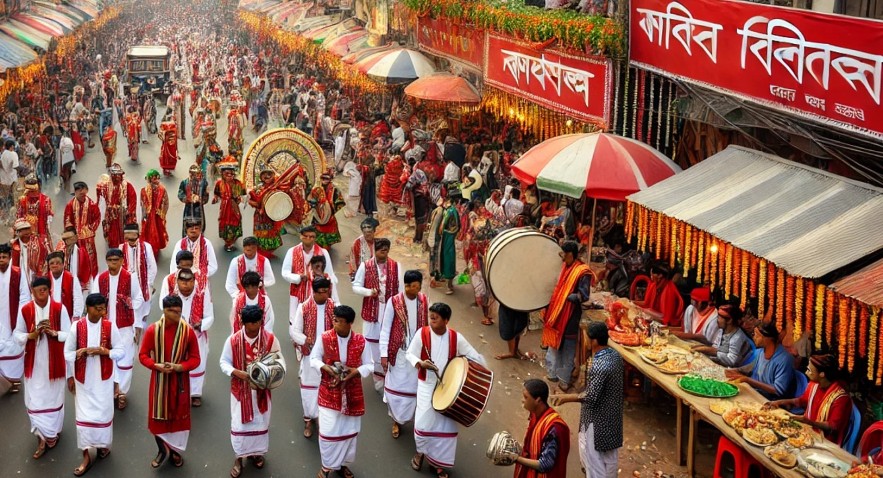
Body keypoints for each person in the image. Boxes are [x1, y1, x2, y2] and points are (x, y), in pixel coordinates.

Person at [407, 302, 486, 478]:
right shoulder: (422, 333)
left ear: (446, 320)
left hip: (449, 388)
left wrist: (466, 372)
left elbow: (474, 357)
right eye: (431, 316)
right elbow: (409, 354)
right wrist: (420, 363)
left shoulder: (456, 338)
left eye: (436, 317)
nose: (431, 319)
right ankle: (421, 452)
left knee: (446, 428)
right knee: (422, 424)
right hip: (427, 385)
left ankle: (438, 463)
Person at [551, 322, 623, 478]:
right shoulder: (615, 356)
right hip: (613, 419)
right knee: (609, 461)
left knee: (594, 464)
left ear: (594, 341)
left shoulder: (599, 365)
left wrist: (566, 398)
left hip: (596, 422)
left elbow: (591, 396)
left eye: (586, 338)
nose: (584, 342)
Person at [220, 304, 285, 477]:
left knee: (261, 423)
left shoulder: (270, 339)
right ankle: (239, 458)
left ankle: (256, 453)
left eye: (258, 322)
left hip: (262, 392)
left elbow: (279, 361)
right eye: (251, 323)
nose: (255, 327)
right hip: (240, 393)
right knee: (239, 426)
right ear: (243, 323)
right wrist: (236, 372)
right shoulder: (233, 340)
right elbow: (223, 362)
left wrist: (269, 374)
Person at [64, 293, 124, 476]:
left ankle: (102, 447)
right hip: (83, 382)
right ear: (88, 308)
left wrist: (104, 351)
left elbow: (120, 351)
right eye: (98, 309)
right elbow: (67, 353)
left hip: (103, 381)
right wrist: (79, 353)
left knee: (103, 416)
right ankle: (86, 456)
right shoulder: (77, 327)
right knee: (84, 421)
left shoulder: (110, 326)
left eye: (103, 309)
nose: (102, 312)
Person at [138, 294, 201, 468]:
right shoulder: (153, 330)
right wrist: (156, 365)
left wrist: (180, 367)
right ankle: (162, 450)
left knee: (178, 416)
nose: (176, 314)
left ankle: (174, 451)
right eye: (172, 311)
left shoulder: (187, 331)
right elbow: (142, 355)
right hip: (159, 382)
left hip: (180, 382)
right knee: (157, 418)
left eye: (179, 311)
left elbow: (196, 359)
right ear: (164, 311)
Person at [310, 304, 373, 478]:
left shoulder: (361, 340)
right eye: (334, 320)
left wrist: (356, 371)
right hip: (329, 392)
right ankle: (327, 465)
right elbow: (314, 359)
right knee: (328, 432)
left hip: (352, 393)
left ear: (350, 323)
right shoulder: (324, 338)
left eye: (339, 321)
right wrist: (326, 368)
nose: (335, 323)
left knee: (349, 433)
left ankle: (342, 465)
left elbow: (369, 365)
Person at [14, 276, 71, 459]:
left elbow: (69, 334)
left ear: (49, 290)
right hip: (34, 364)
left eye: (45, 289)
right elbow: (17, 334)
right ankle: (41, 437)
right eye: (38, 290)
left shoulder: (59, 308)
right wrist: (32, 334)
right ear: (32, 292)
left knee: (54, 398)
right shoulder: (25, 310)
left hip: (54, 365)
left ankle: (52, 432)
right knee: (35, 400)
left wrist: (54, 333)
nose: (42, 293)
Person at [380, 270, 429, 439]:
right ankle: (396, 419)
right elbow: (386, 329)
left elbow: (427, 327)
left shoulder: (424, 301)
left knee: (413, 389)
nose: (415, 290)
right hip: (398, 352)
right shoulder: (394, 302)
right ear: (406, 285)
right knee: (396, 389)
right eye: (412, 286)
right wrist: (384, 354)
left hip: (416, 354)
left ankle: (407, 418)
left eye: (418, 286)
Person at [94, 248, 144, 410]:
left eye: (116, 260)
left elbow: (139, 299)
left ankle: (121, 393)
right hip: (105, 327)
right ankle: (109, 391)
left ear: (122, 261)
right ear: (106, 261)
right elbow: (93, 300)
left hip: (125, 326)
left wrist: (127, 302)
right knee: (107, 359)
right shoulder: (100, 279)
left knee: (125, 360)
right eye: (110, 260)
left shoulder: (130, 278)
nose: (113, 263)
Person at [764, 354, 852, 446]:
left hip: (824, 441)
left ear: (822, 374)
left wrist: (808, 422)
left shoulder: (841, 398)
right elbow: (802, 401)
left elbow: (832, 427)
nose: (806, 373)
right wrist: (779, 402)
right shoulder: (813, 384)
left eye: (809, 370)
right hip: (807, 430)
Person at [353, 238, 404, 392]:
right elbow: (356, 286)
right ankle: (378, 380)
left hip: (389, 311)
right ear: (375, 251)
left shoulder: (396, 266)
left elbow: (401, 289)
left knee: (388, 344)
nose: (384, 253)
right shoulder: (365, 266)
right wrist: (369, 292)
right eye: (382, 250)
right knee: (374, 346)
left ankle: (388, 376)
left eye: (387, 250)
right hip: (372, 312)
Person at [544, 241, 593, 392]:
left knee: (568, 348)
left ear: (570, 254)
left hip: (571, 315)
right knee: (555, 344)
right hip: (557, 312)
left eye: (563, 254)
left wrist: (576, 296)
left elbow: (585, 295)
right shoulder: (566, 266)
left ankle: (564, 380)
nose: (561, 258)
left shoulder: (582, 272)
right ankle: (552, 373)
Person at [290, 277, 336, 439]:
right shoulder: (304, 308)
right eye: (321, 292)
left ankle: (320, 418)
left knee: (325, 387)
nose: (324, 295)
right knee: (308, 389)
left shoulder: (333, 307)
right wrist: (305, 340)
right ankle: (308, 419)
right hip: (310, 355)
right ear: (314, 292)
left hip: (327, 356)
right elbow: (295, 331)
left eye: (326, 291)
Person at [506, 379, 570, 477]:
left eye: (526, 397)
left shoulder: (553, 428)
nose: (522, 400)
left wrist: (516, 458)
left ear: (538, 400)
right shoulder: (535, 414)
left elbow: (545, 464)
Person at [170, 268, 213, 408]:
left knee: (198, 365)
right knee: (177, 363)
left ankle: (195, 394)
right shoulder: (173, 297)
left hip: (197, 336)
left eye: (189, 282)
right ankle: (177, 391)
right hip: (177, 337)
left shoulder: (202, 294)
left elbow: (210, 316)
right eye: (183, 282)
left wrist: (201, 324)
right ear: (178, 282)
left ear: (194, 282)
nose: (186, 285)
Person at [725, 320, 796, 400]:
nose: (753, 337)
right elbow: (752, 367)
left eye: (756, 335)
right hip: (755, 393)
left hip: (770, 400)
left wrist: (748, 380)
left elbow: (778, 390)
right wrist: (735, 370)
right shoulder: (760, 352)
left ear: (767, 338)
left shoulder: (785, 359)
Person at [282, 225, 334, 324]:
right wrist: (297, 277)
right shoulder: (292, 251)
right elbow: (285, 272)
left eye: (311, 236)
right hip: (297, 291)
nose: (308, 239)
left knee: (316, 321)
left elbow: (330, 275)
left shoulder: (323, 252)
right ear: (300, 236)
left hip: (317, 292)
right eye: (306, 236)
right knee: (296, 320)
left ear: (315, 238)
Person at [0, 243, 30, 392]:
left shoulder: (17, 273)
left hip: (13, 321)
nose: (1, 260)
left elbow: (24, 297)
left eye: (4, 257)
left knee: (12, 348)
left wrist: (20, 320)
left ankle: (12, 382)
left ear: (10, 257)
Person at [692, 303, 753, 368]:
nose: (717, 320)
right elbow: (715, 346)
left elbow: (731, 361)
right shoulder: (722, 330)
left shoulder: (737, 337)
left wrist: (713, 352)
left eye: (719, 318)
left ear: (729, 320)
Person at [63, 181, 101, 281]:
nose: (81, 194)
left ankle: (93, 279)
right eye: (79, 191)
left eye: (83, 192)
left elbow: (97, 217)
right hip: (75, 238)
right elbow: (67, 219)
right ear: (75, 192)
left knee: (91, 259)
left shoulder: (92, 204)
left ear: (87, 191)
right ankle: (77, 280)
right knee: (77, 259)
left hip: (88, 237)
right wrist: (71, 231)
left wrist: (91, 228)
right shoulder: (70, 205)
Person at [16, 174, 53, 277]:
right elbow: (19, 216)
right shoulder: (22, 200)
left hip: (41, 234)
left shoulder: (46, 200)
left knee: (43, 259)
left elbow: (49, 216)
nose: (31, 193)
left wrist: (48, 224)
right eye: (29, 190)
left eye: (33, 190)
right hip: (25, 236)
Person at [121, 223, 157, 323]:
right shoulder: (121, 247)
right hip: (128, 286)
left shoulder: (146, 247)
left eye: (132, 239)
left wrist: (148, 284)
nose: (129, 242)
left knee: (142, 314)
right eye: (127, 239)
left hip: (143, 284)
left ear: (138, 236)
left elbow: (152, 267)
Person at [98, 164, 137, 249]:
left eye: (118, 175)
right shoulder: (105, 187)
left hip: (123, 215)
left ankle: (124, 247)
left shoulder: (127, 186)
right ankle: (114, 246)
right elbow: (102, 202)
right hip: (110, 216)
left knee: (124, 233)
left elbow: (133, 201)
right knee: (112, 232)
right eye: (115, 175)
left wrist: (129, 212)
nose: (117, 177)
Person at [634, 262, 684, 327]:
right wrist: (630, 302)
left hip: (670, 325)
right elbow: (647, 304)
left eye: (652, 275)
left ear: (660, 275)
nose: (651, 277)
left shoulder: (669, 290)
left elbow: (667, 319)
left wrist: (645, 313)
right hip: (658, 319)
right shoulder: (655, 286)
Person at [212, 157, 246, 251]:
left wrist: (240, 199)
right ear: (222, 174)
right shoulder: (219, 184)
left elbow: (243, 195)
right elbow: (217, 193)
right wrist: (215, 198)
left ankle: (232, 240)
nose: (230, 176)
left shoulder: (238, 183)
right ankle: (228, 242)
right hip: (224, 208)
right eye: (227, 174)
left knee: (235, 221)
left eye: (231, 174)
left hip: (234, 207)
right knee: (224, 222)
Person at [247, 169, 284, 256]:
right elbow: (252, 201)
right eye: (264, 174)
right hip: (260, 217)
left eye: (269, 174)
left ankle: (267, 252)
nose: (266, 176)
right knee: (261, 233)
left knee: (271, 233)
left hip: (271, 216)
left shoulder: (276, 188)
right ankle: (262, 252)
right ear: (261, 177)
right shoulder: (258, 189)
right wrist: (254, 203)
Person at [432, 196, 460, 295]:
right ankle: (448, 280)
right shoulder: (450, 210)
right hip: (448, 235)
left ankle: (449, 285)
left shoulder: (450, 211)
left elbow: (449, 226)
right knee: (446, 256)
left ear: (448, 201)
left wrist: (444, 232)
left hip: (448, 235)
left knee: (448, 257)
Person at [310, 172, 346, 248]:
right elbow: (311, 198)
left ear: (330, 179)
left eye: (327, 179)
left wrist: (331, 210)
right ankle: (318, 244)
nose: (324, 180)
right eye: (323, 178)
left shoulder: (334, 189)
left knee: (328, 228)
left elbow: (340, 202)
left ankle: (326, 245)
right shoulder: (317, 188)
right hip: (318, 213)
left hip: (329, 214)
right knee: (317, 228)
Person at [140, 170, 170, 256]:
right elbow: (142, 204)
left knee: (158, 230)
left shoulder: (162, 189)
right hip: (149, 214)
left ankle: (156, 246)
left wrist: (162, 212)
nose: (156, 180)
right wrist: (144, 215)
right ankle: (149, 246)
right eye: (154, 178)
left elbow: (166, 202)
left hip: (157, 214)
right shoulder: (144, 190)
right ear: (150, 179)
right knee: (148, 230)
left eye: (157, 178)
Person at [48, 251, 84, 319]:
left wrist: (76, 317)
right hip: (50, 317)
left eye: (58, 263)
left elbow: (77, 299)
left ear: (63, 264)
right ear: (49, 266)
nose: (54, 265)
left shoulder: (71, 278)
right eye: (51, 263)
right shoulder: (46, 278)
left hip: (67, 317)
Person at [57, 228, 93, 294]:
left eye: (69, 238)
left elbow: (86, 272)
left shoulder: (82, 253)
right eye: (64, 239)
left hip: (78, 287)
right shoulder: (60, 251)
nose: (67, 241)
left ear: (76, 238)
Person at [178, 164, 209, 236]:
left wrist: (200, 199)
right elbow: (180, 194)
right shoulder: (184, 182)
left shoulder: (203, 183)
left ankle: (199, 241)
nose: (197, 176)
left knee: (200, 226)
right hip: (188, 209)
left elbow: (206, 195)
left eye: (198, 174)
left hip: (199, 210)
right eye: (195, 174)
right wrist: (188, 198)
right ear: (191, 174)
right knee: (187, 226)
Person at [12, 219, 40, 285]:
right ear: (17, 232)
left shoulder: (37, 243)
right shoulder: (14, 246)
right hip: (20, 277)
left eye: (28, 229)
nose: (26, 231)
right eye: (23, 229)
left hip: (34, 275)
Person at [0, 139, 19, 210]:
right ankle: (10, 212)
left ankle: (5, 212)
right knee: (12, 197)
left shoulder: (3, 153)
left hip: (3, 180)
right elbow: (16, 166)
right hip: (10, 180)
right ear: (11, 146)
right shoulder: (13, 154)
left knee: (4, 197)